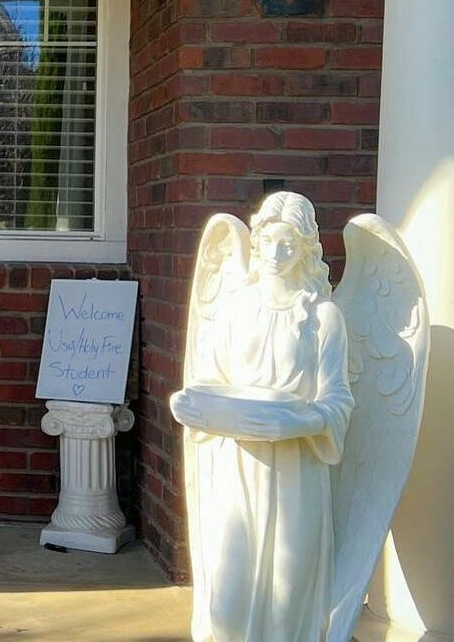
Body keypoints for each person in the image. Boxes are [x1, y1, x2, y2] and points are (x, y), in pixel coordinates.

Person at [171, 192, 354, 641]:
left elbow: (338, 400)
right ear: (256, 241)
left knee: (287, 600)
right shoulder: (235, 309)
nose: (276, 252)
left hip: (296, 474)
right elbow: (210, 380)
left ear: (306, 249)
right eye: (269, 240)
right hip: (236, 468)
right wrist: (190, 407)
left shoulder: (324, 318)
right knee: (227, 601)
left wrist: (299, 423)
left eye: (289, 243)